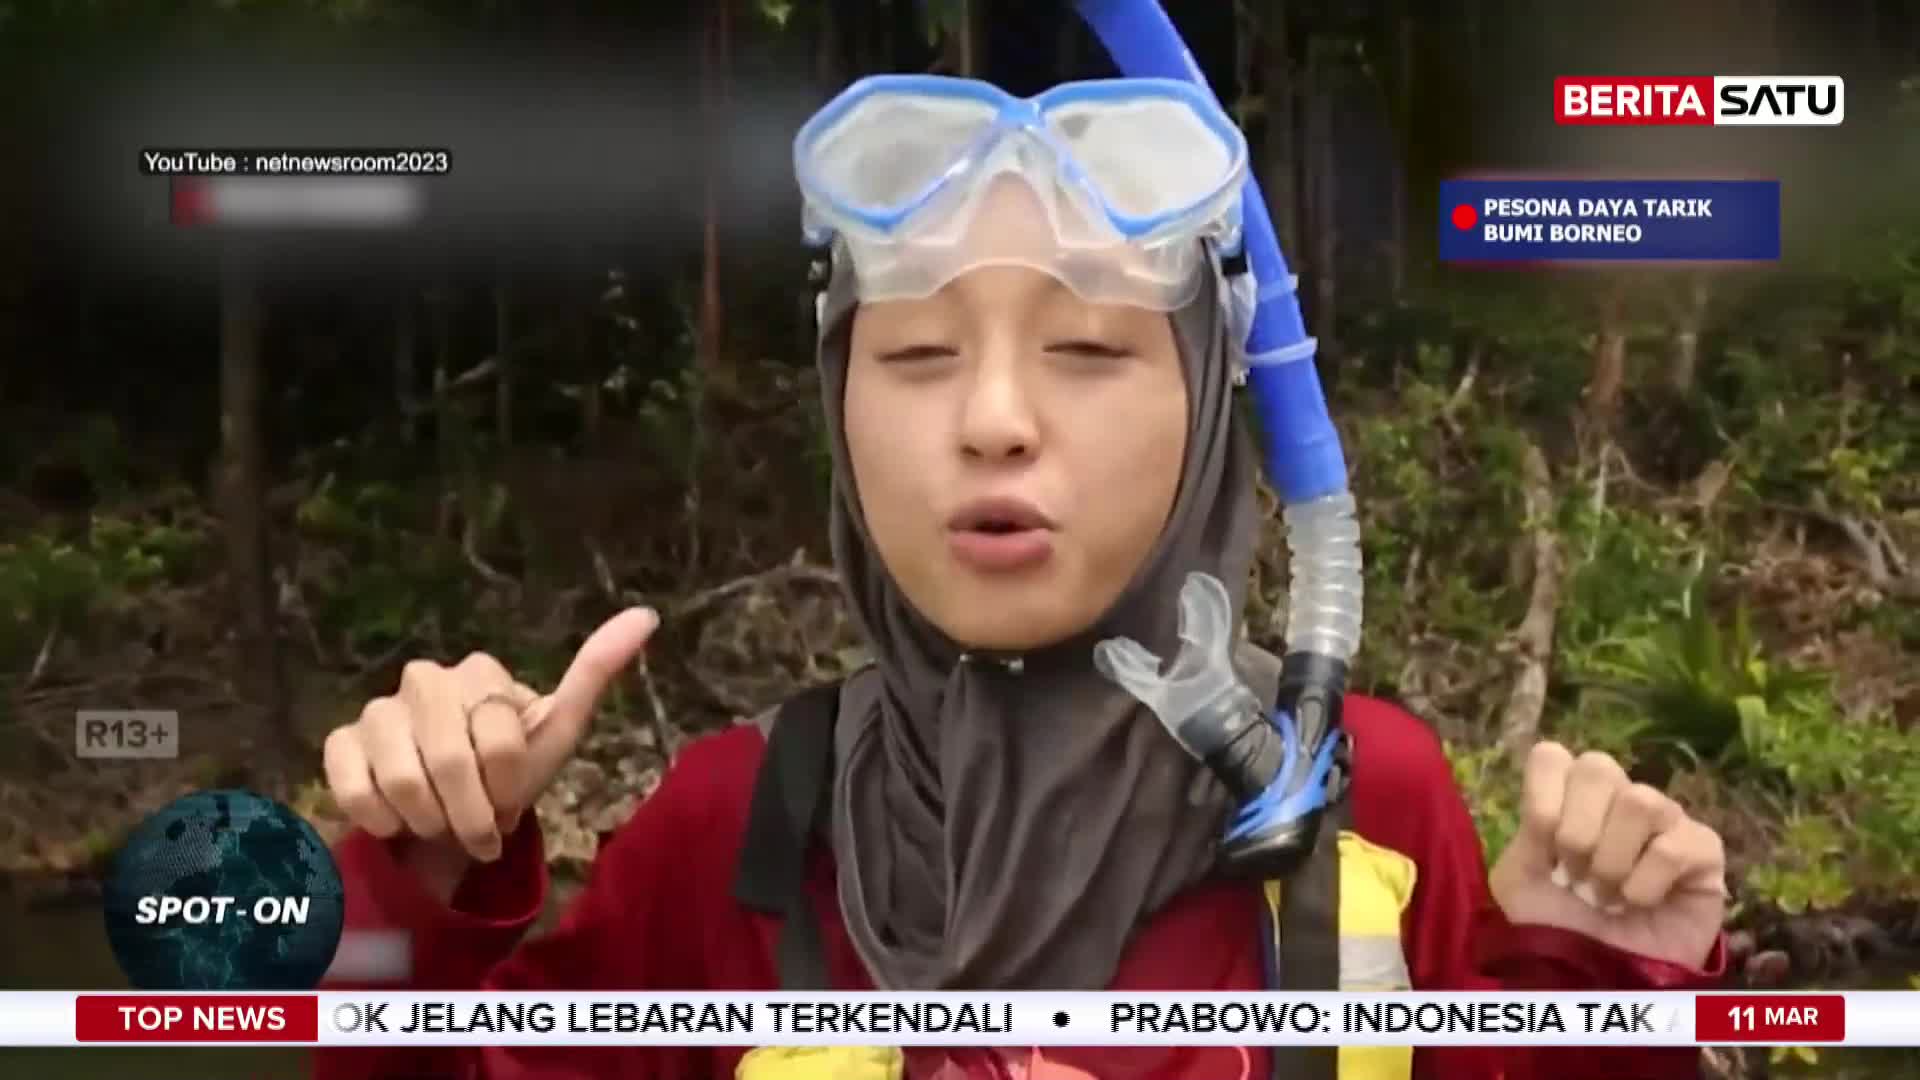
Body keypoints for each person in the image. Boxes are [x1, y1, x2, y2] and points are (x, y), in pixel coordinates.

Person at [313, 76, 1727, 1080]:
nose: (993, 420)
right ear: (840, 404)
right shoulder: (733, 833)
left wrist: (1603, 996)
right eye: (918, 354)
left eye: (1090, 350)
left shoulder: (1369, 807)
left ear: (1205, 407)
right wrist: (429, 885)